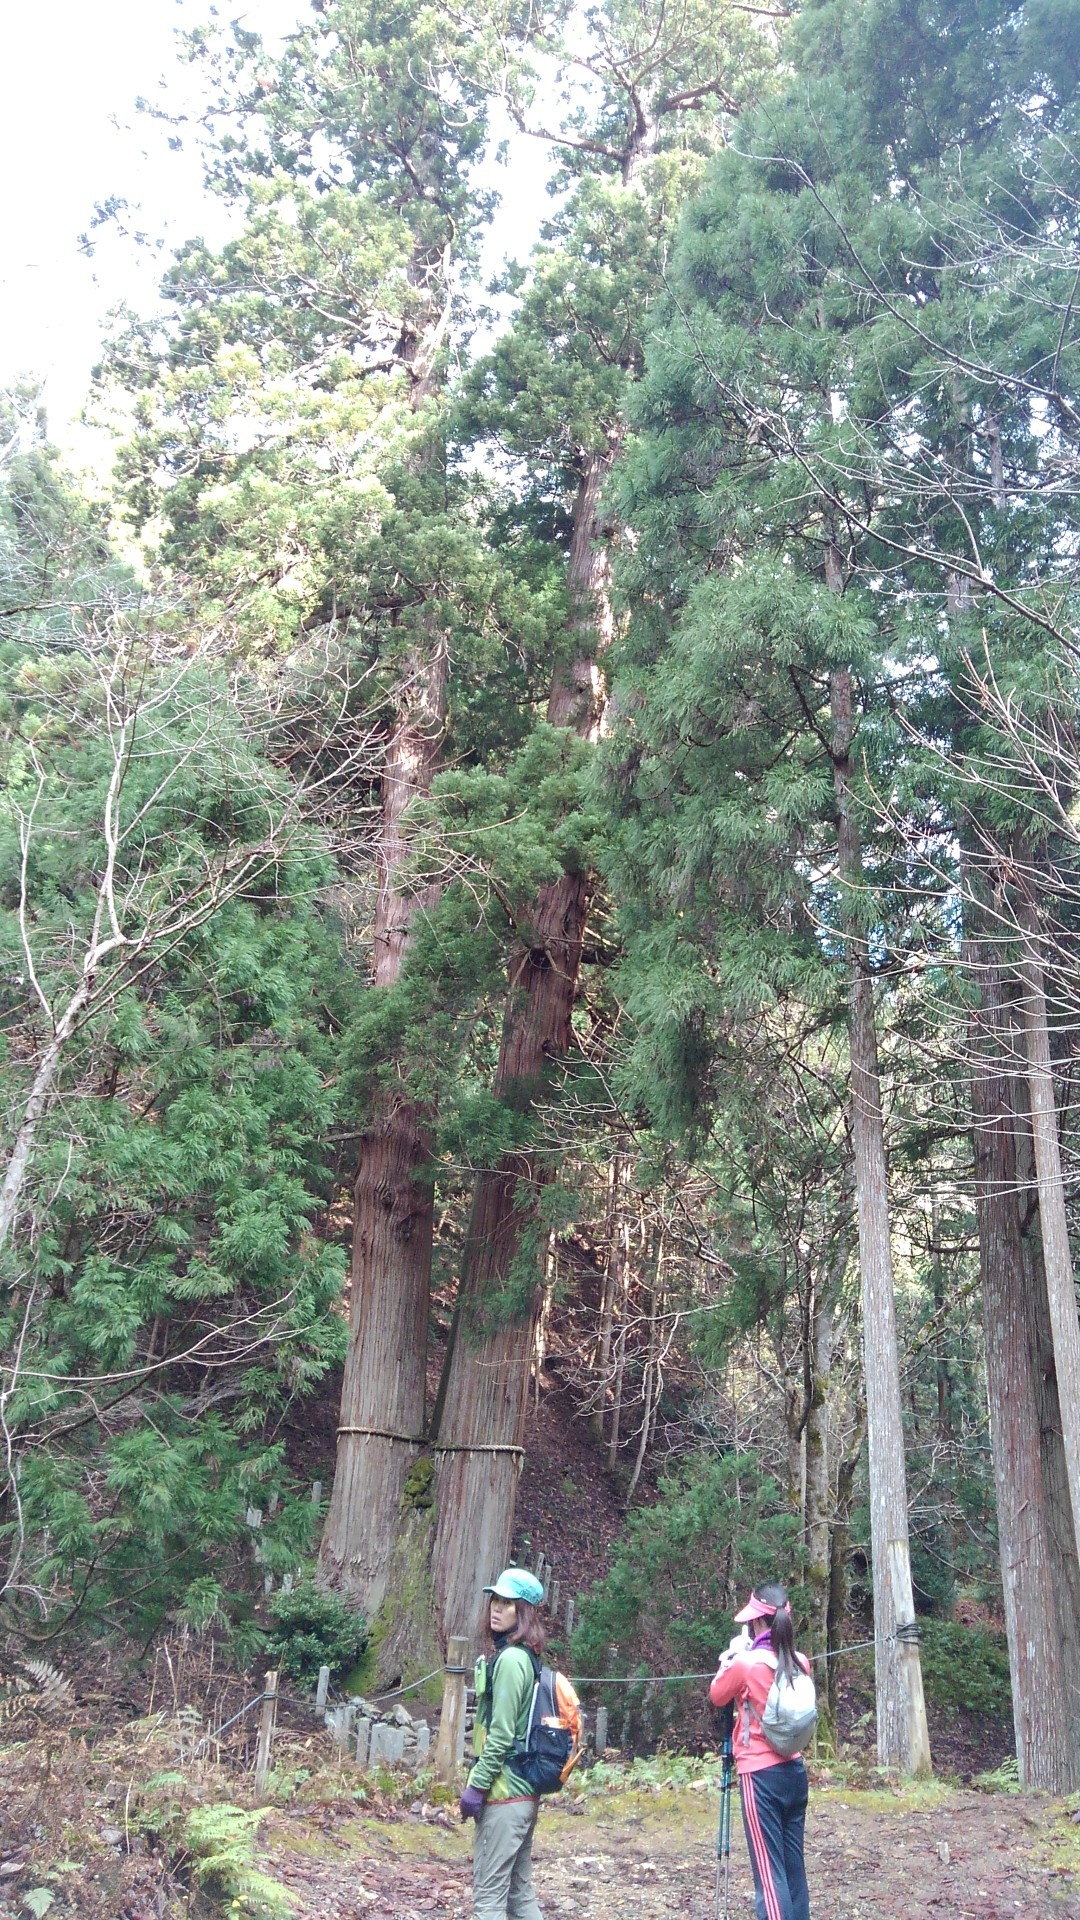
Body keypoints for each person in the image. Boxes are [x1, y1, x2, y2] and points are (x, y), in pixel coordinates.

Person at [709, 1583, 812, 1920]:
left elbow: (717, 1695)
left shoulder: (748, 1665)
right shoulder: (801, 1662)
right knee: (793, 1869)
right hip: (795, 1772)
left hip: (760, 1776)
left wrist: (732, 1657)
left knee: (768, 1876)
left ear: (756, 1623)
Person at [459, 1566, 547, 1920]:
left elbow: (501, 1734)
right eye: (494, 1599)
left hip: (504, 1793)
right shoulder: (527, 1656)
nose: (496, 1607)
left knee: (490, 1897)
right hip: (522, 1791)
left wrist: (476, 1786)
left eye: (506, 1602)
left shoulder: (511, 1660)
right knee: (518, 1893)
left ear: (522, 1611)